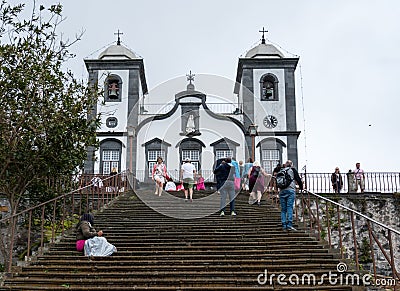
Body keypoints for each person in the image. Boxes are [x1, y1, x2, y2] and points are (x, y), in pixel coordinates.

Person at [279, 160, 303, 231]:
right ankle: (289, 225)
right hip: (290, 190)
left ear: (285, 165)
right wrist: (301, 187)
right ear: (291, 165)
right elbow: (298, 179)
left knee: (283, 209)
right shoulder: (292, 170)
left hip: (282, 191)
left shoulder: (282, 170)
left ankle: (284, 224)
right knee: (289, 207)